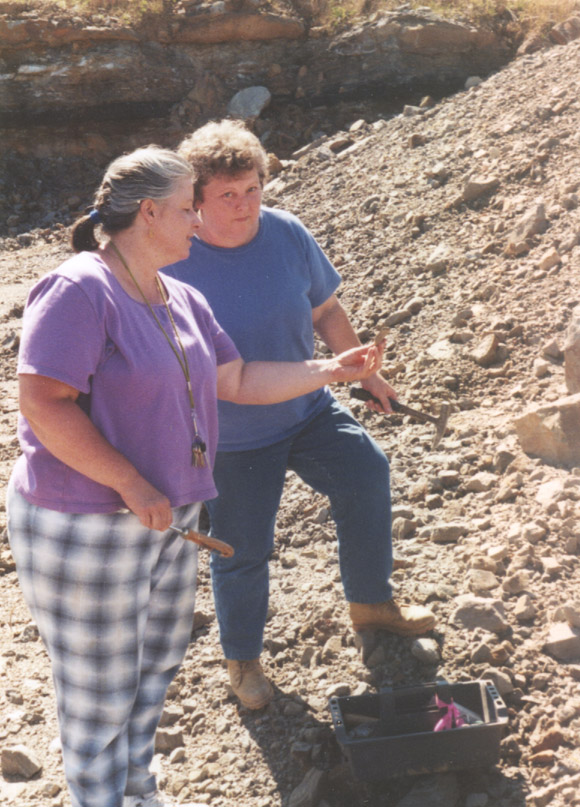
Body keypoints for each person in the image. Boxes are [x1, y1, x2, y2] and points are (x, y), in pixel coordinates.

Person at [5, 145, 383, 807]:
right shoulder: (80, 288)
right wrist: (129, 480)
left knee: (150, 676)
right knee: (100, 695)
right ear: (149, 213)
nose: (198, 223)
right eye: (188, 209)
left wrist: (332, 370)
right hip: (84, 523)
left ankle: (138, 794)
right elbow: (42, 401)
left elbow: (235, 379)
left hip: (166, 518)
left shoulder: (178, 294)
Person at [164, 119, 436, 712]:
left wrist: (366, 373)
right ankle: (243, 662)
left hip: (308, 407)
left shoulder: (287, 232)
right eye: (227, 196)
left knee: (367, 474)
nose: (244, 205)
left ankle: (370, 605)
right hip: (232, 437)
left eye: (253, 189)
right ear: (196, 199)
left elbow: (327, 310)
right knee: (242, 549)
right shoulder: (174, 262)